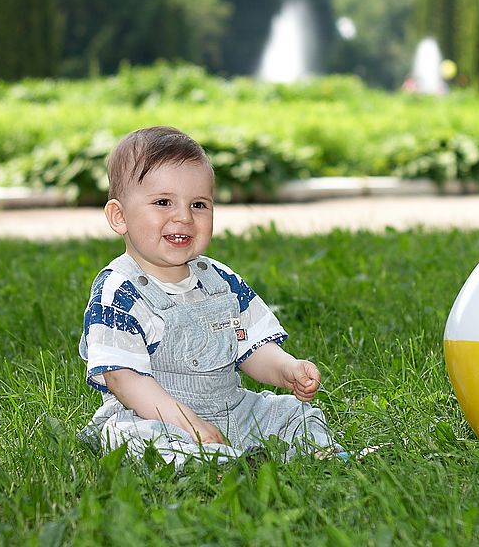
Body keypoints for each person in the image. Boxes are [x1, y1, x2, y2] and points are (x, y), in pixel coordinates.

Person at [76, 126, 344, 469]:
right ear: (119, 216)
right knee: (136, 440)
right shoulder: (119, 291)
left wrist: (286, 369)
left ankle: (323, 457)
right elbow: (123, 377)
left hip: (230, 408)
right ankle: (219, 467)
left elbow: (251, 344)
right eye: (163, 202)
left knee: (294, 414)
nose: (184, 217)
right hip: (153, 415)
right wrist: (189, 425)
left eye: (198, 204)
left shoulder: (220, 280)